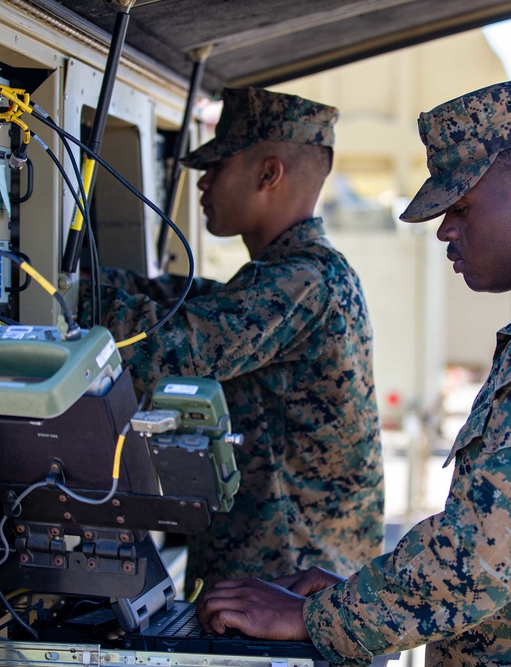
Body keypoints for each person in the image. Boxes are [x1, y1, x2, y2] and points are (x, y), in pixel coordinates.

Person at [196, 80, 511, 666]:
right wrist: (351, 595)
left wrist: (319, 617)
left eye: (461, 208)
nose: (445, 229)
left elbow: (485, 554)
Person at [84, 87, 385, 593]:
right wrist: (100, 282)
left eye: (217, 166)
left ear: (268, 174)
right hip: (276, 582)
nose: (203, 182)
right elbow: (197, 302)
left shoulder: (301, 282)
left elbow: (171, 349)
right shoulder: (296, 276)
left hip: (283, 590)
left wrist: (61, 295)